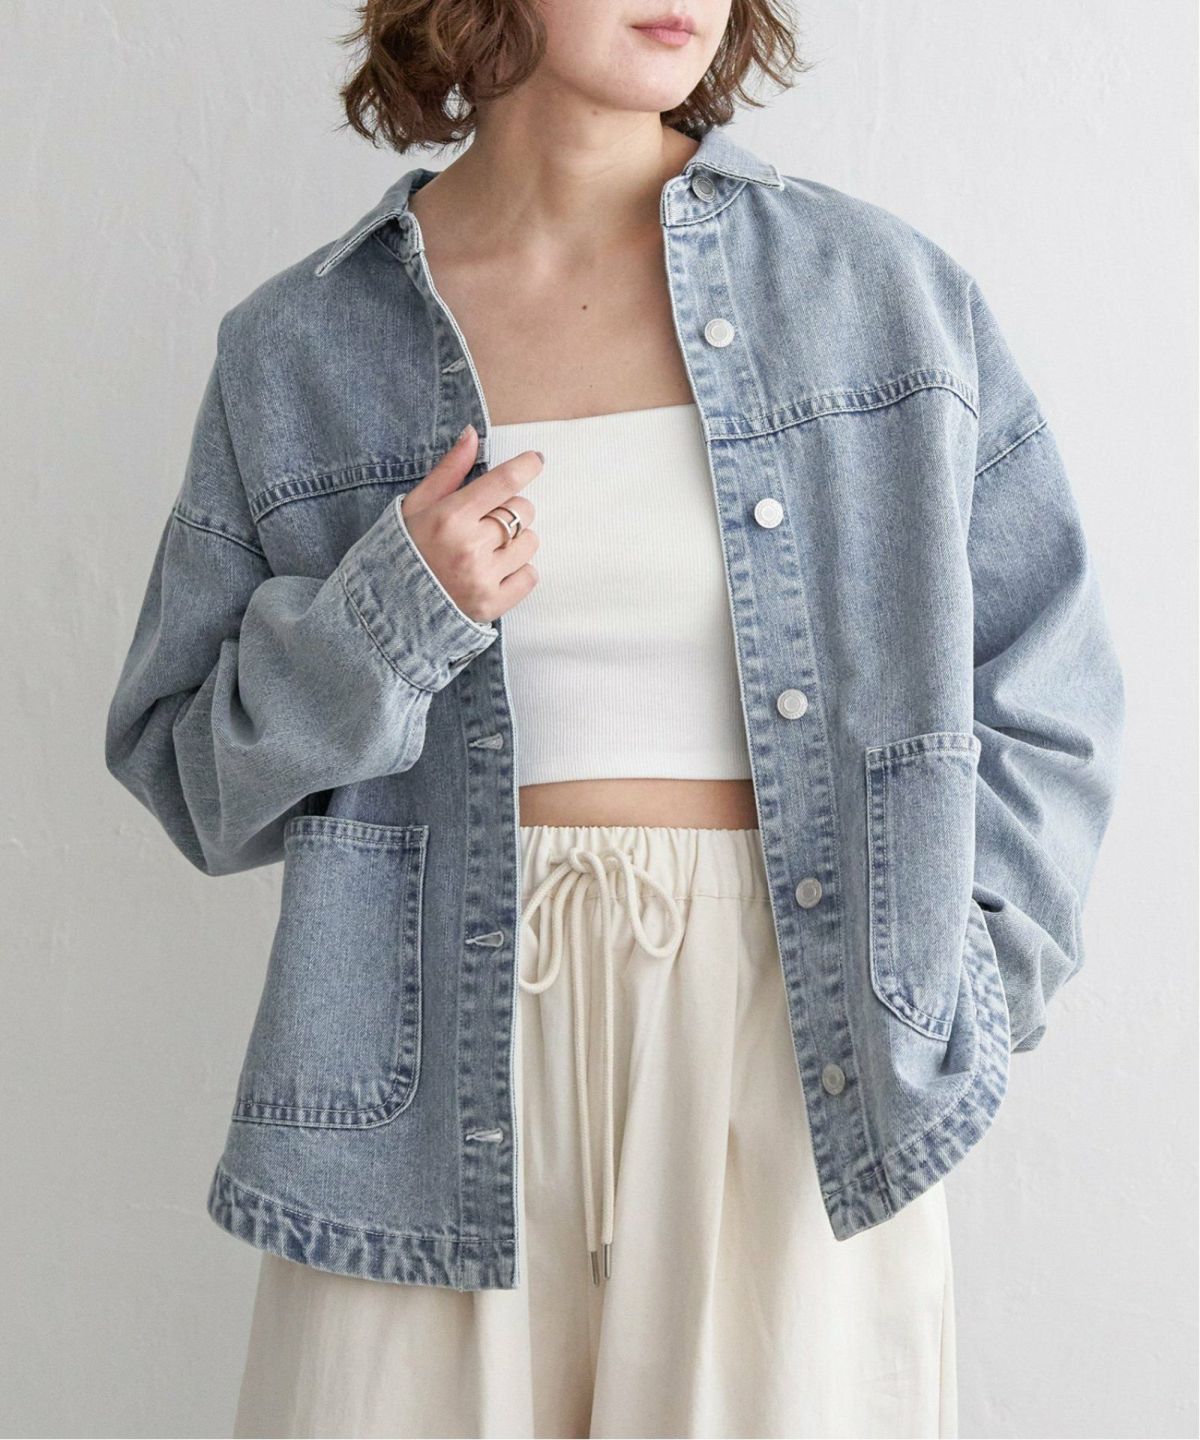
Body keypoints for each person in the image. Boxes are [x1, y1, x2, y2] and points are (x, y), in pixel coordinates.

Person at [103, 1, 1126, 1435]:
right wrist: (385, 618)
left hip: (796, 1044)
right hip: (416, 1069)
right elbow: (189, 771)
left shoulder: (878, 296)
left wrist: (954, 978)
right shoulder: (299, 347)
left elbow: (1052, 689)